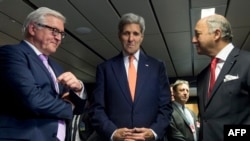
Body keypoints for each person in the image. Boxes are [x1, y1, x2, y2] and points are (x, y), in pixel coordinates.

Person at [0, 7, 86, 141]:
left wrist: (78, 89)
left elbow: (79, 109)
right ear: (33, 29)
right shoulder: (11, 53)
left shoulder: (57, 68)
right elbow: (32, 99)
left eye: (61, 34)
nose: (58, 38)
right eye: (54, 31)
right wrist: (69, 105)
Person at [89, 13, 173, 141]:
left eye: (135, 34)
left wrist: (153, 132)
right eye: (126, 33)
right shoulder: (105, 69)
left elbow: (166, 107)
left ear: (142, 37)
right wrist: (113, 133)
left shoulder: (157, 67)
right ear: (119, 36)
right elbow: (96, 109)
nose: (130, 39)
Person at [192, 14, 250, 141]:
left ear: (216, 34)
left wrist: (231, 135)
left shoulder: (247, 62)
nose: (193, 40)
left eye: (198, 34)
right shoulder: (202, 76)